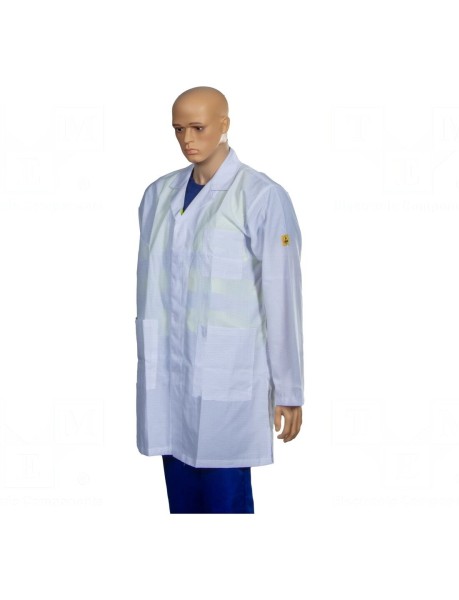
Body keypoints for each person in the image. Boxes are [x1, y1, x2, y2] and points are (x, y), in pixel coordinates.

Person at [135, 86, 304, 513]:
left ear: (224, 125)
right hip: (169, 378)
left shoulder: (260, 196)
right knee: (181, 501)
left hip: (226, 377)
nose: (187, 139)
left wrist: (288, 389)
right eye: (178, 129)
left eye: (198, 127)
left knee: (224, 502)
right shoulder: (157, 196)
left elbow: (282, 296)